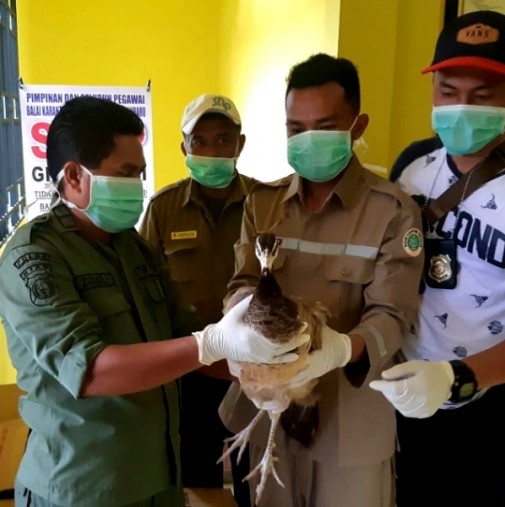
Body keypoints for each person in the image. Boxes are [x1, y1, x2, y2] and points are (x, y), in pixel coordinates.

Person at [0, 96, 309, 507]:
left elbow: (182, 335)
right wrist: (214, 343)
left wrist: (274, 365)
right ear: (74, 176)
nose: (138, 187)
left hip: (159, 480)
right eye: (126, 174)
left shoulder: (136, 252)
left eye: (140, 174)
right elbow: (90, 371)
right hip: (82, 487)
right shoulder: (34, 257)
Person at [369, 10, 505, 507]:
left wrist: (456, 379)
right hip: (397, 385)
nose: (462, 108)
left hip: (480, 397)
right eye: (448, 92)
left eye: (483, 95)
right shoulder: (412, 165)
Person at [219, 53, 425, 507]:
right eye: (296, 128)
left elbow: (395, 314)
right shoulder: (263, 204)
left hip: (350, 421)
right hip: (271, 409)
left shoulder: (391, 211)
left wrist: (338, 349)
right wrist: (242, 321)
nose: (309, 139)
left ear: (357, 125)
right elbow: (240, 282)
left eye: (325, 126)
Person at [139, 93, 253, 505]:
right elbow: (145, 291)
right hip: (191, 372)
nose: (211, 150)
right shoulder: (164, 209)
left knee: (256, 477)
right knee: (195, 481)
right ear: (184, 148)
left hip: (253, 374)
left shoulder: (266, 202)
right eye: (200, 141)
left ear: (240, 144)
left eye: (223, 139)